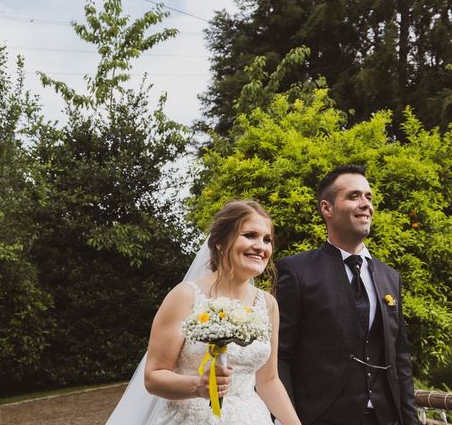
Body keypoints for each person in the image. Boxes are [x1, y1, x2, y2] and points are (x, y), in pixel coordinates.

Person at [275, 164, 418, 425]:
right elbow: (280, 355)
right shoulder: (296, 271)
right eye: (354, 196)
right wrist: (288, 419)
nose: (366, 204)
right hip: (320, 418)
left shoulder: (390, 277)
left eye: (368, 197)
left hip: (386, 419)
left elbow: (400, 357)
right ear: (326, 208)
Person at [141, 199, 301, 424]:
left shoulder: (267, 304)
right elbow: (153, 377)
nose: (261, 246)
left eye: (267, 240)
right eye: (249, 235)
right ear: (220, 242)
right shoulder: (185, 296)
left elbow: (269, 380)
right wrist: (198, 386)